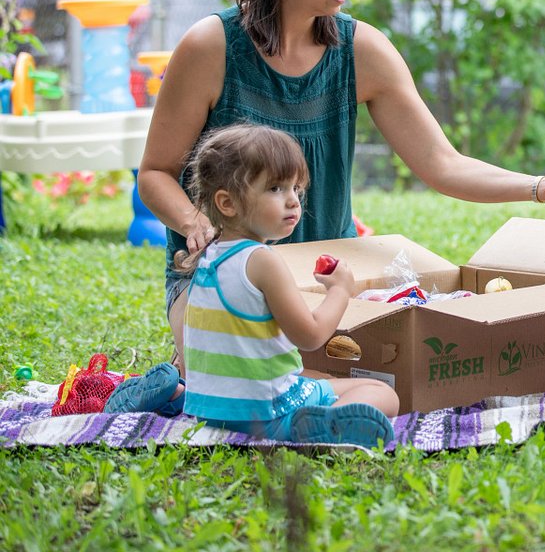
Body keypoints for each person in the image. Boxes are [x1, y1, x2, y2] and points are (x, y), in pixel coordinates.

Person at [109, 0, 545, 415]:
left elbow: (443, 164)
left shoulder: (361, 50)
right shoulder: (210, 46)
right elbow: (155, 173)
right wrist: (196, 223)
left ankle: (187, 393)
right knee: (277, 374)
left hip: (321, 279)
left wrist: (543, 186)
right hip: (224, 274)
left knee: (322, 377)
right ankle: (195, 386)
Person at [110, 124, 398, 447]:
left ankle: (172, 394)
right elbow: (311, 335)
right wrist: (340, 291)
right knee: (383, 393)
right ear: (227, 203)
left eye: (295, 189)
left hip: (207, 408)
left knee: (316, 382)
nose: (292, 202)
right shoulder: (262, 261)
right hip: (268, 415)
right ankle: (317, 428)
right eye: (275, 189)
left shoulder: (208, 256)